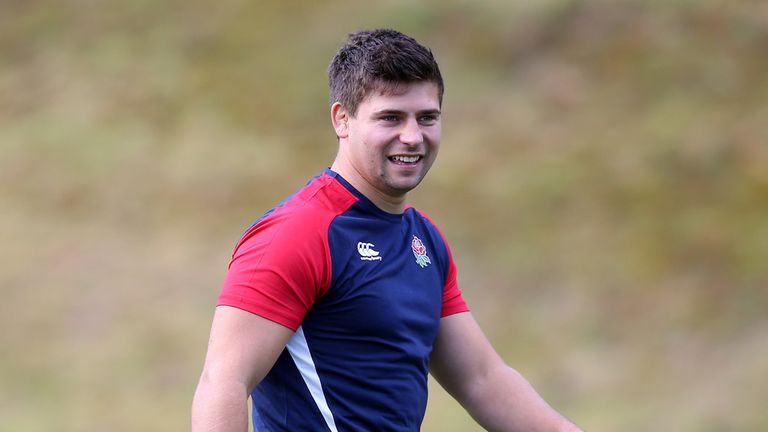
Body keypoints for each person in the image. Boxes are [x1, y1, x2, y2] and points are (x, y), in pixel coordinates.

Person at [192, 28, 582, 432]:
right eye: (390, 117)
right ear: (342, 120)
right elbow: (222, 383)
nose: (412, 137)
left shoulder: (423, 240)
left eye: (427, 117)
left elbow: (482, 379)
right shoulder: (297, 233)